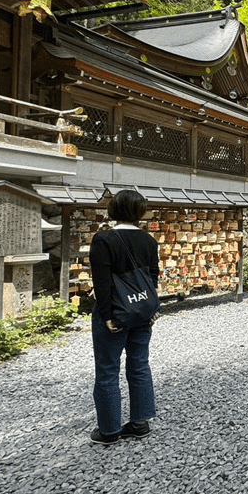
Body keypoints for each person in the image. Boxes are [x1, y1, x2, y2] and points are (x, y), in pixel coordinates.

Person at [88, 189, 160, 445]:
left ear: (113, 210)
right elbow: (152, 278)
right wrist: (151, 309)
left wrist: (107, 315)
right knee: (139, 365)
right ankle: (140, 423)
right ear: (140, 213)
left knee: (107, 371)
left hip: (115, 314)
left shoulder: (103, 240)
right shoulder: (149, 241)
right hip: (142, 313)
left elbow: (102, 282)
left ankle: (108, 431)